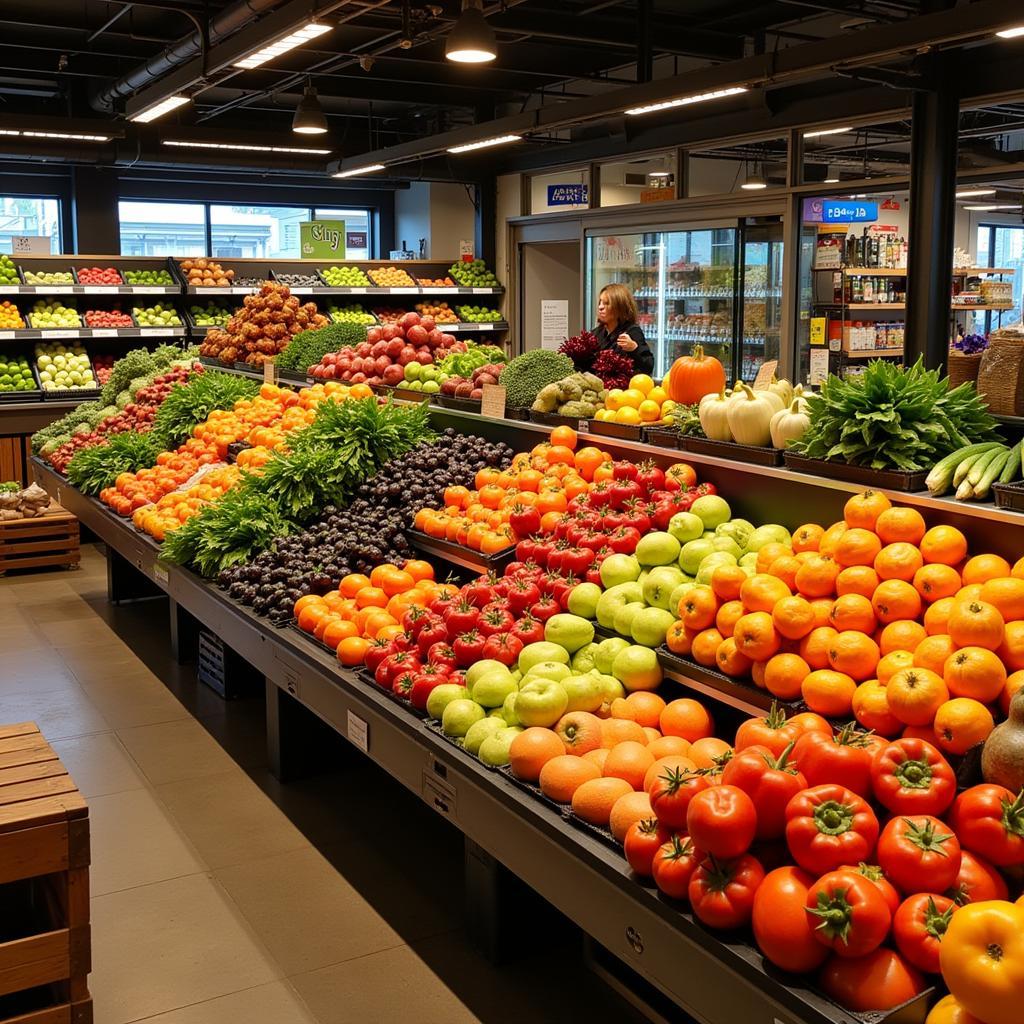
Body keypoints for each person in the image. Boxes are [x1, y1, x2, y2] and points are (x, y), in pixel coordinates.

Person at [593, 283, 654, 376]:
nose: (600, 307)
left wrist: (634, 349)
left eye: (606, 303)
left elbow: (648, 366)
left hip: (624, 389)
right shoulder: (596, 333)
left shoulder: (632, 332)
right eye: (600, 302)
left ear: (619, 307)